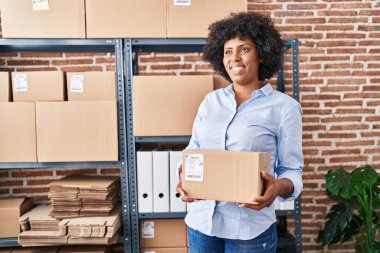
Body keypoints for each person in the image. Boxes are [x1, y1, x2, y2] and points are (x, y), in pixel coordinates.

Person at [176, 12, 303, 253]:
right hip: (202, 224)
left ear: (262, 54)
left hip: (249, 229)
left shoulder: (284, 108)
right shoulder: (210, 102)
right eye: (228, 51)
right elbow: (194, 150)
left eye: (244, 49)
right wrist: (183, 179)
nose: (234, 58)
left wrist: (277, 187)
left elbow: (292, 171)